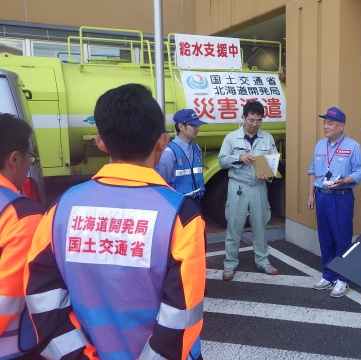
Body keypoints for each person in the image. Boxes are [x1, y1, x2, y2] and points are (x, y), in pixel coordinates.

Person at [24, 84, 206, 359]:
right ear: (162, 141)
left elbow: (42, 300)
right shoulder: (182, 216)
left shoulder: (59, 209)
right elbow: (181, 317)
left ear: (100, 142)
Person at [307, 106, 361, 298]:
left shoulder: (353, 146)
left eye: (330, 123)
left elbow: (360, 172)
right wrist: (311, 195)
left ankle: (343, 278)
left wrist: (345, 181)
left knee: (342, 239)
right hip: (322, 196)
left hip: (341, 197)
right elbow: (313, 171)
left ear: (341, 126)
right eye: (324, 122)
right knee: (325, 238)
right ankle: (328, 274)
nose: (326, 126)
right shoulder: (319, 146)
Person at [219, 100, 279, 281]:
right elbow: (222, 161)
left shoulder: (267, 138)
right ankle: (230, 264)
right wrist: (238, 157)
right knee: (234, 226)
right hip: (238, 186)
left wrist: (268, 175)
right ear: (243, 117)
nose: (254, 124)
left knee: (260, 226)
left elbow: (273, 165)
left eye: (259, 120)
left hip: (259, 187)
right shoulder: (231, 138)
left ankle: (263, 261)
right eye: (251, 120)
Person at [0, 114, 43, 359]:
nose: (29, 165)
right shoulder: (21, 215)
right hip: (12, 348)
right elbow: (7, 299)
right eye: (30, 157)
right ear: (15, 158)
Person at [155, 108, 207, 208]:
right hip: (177, 203)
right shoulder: (169, 153)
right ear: (181, 126)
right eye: (193, 125)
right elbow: (162, 182)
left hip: (196, 201)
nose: (197, 128)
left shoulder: (197, 149)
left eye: (197, 125)